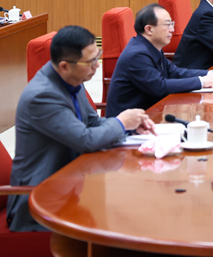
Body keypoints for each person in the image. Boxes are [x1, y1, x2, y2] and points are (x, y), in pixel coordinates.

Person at [7, 26, 154, 231]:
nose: (97, 66)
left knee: (131, 210)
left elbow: (92, 122)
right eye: (91, 62)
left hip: (71, 183)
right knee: (124, 222)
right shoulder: (42, 96)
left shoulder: (72, 78)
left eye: (97, 57)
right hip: (40, 201)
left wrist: (131, 127)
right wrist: (121, 123)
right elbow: (85, 140)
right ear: (65, 66)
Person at [106, 3, 213, 117]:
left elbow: (174, 71)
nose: (172, 29)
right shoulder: (137, 55)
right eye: (167, 25)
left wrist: (211, 74)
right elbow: (159, 87)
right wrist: (201, 82)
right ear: (149, 29)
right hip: (127, 127)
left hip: (148, 117)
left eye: (172, 24)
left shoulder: (150, 47)